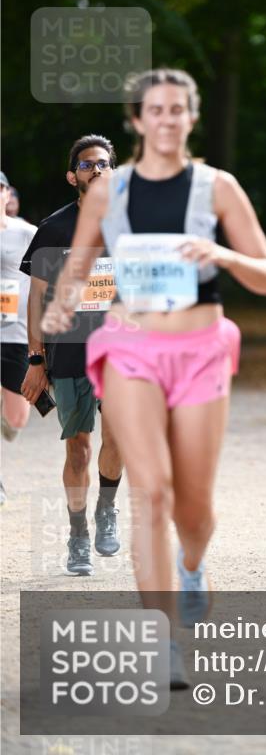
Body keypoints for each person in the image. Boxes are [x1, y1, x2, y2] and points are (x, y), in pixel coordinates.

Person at [40, 68, 266, 687]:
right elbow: (77, 265)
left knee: (193, 505)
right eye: (156, 109)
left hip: (199, 347)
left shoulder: (216, 188)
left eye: (179, 109)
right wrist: (63, 304)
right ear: (138, 119)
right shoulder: (108, 193)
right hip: (131, 350)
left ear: (190, 118)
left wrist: (220, 254)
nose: (168, 118)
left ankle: (194, 564)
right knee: (153, 491)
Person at [20, 137, 123, 575]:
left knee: (118, 440)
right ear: (72, 176)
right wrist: (36, 360)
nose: (96, 170)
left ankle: (107, 510)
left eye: (103, 164)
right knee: (78, 449)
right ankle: (77, 535)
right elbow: (35, 299)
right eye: (86, 164)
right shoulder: (54, 229)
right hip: (67, 353)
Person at [1, 171, 37, 502]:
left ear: (6, 194)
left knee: (17, 418)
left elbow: (49, 273)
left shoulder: (26, 233)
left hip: (15, 333)